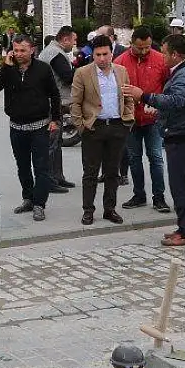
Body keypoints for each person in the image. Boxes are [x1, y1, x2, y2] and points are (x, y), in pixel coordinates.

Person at [123, 33, 185, 247]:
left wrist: (144, 96)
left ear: (176, 55)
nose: (162, 57)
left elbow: (176, 100)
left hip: (184, 137)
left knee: (182, 186)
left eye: (165, 53)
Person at [0, 34, 62, 222]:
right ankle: (28, 199)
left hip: (39, 126)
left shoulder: (43, 69)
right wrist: (5, 66)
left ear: (32, 50)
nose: (19, 54)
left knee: (41, 167)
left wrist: (55, 119)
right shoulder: (9, 68)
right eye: (16, 50)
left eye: (23, 50)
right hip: (16, 127)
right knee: (22, 166)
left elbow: (54, 95)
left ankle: (40, 204)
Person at [71, 34, 135, 226]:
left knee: (112, 172)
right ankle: (88, 210)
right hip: (94, 127)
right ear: (93, 55)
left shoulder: (121, 71)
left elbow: (128, 96)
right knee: (90, 173)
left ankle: (110, 209)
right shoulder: (83, 73)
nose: (101, 58)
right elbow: (75, 102)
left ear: (111, 52)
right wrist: (81, 126)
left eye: (105, 54)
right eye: (98, 54)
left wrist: (128, 119)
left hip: (117, 126)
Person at [115, 27, 171, 213]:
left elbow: (168, 85)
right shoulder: (120, 62)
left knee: (156, 157)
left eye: (147, 47)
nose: (144, 51)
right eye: (140, 48)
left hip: (154, 118)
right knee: (134, 158)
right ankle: (139, 194)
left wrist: (158, 103)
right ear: (132, 44)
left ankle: (159, 197)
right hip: (131, 119)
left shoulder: (161, 59)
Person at [38, 25, 78, 192]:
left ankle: (58, 177)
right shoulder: (55, 53)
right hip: (53, 105)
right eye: (74, 40)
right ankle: (50, 180)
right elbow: (68, 77)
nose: (75, 44)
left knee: (56, 142)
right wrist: (83, 71)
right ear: (65, 39)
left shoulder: (50, 50)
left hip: (52, 103)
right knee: (52, 143)